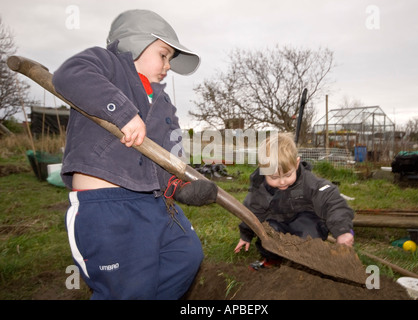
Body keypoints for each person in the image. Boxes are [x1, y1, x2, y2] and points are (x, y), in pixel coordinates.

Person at [52, 9, 217, 299]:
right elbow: (70, 74)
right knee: (129, 288)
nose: (168, 65)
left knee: (185, 256)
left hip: (154, 202)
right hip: (107, 205)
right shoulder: (108, 66)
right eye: (164, 55)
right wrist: (121, 111)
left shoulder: (163, 102)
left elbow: (170, 155)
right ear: (136, 43)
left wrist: (182, 187)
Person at [234, 132, 354, 270]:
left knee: (308, 234)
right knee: (266, 235)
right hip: (278, 224)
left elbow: (333, 203)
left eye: (287, 175)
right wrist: (246, 235)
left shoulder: (309, 183)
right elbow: (251, 212)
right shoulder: (260, 189)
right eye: (274, 177)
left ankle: (307, 262)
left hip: (305, 224)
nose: (282, 181)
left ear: (296, 164)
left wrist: (343, 231)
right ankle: (273, 260)